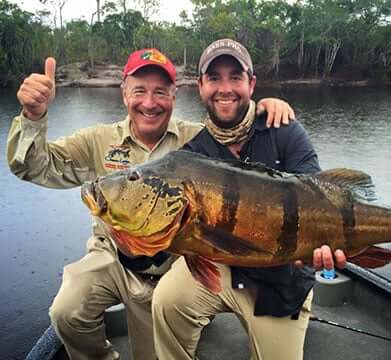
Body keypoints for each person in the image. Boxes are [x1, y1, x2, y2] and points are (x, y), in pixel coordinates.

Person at [7, 48, 295, 360]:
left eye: (160, 92)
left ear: (175, 94)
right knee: (65, 311)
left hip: (174, 264)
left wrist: (266, 107)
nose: (149, 102)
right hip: (113, 258)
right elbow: (33, 167)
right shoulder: (96, 140)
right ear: (123, 93)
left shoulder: (197, 140)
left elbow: (245, 148)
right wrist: (33, 118)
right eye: (139, 90)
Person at [151, 39, 347, 360]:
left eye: (235, 77)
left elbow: (320, 196)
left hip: (282, 283)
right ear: (200, 86)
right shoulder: (193, 154)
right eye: (214, 78)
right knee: (166, 302)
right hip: (224, 268)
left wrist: (322, 245)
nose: (225, 88)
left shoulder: (284, 130)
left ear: (251, 84)